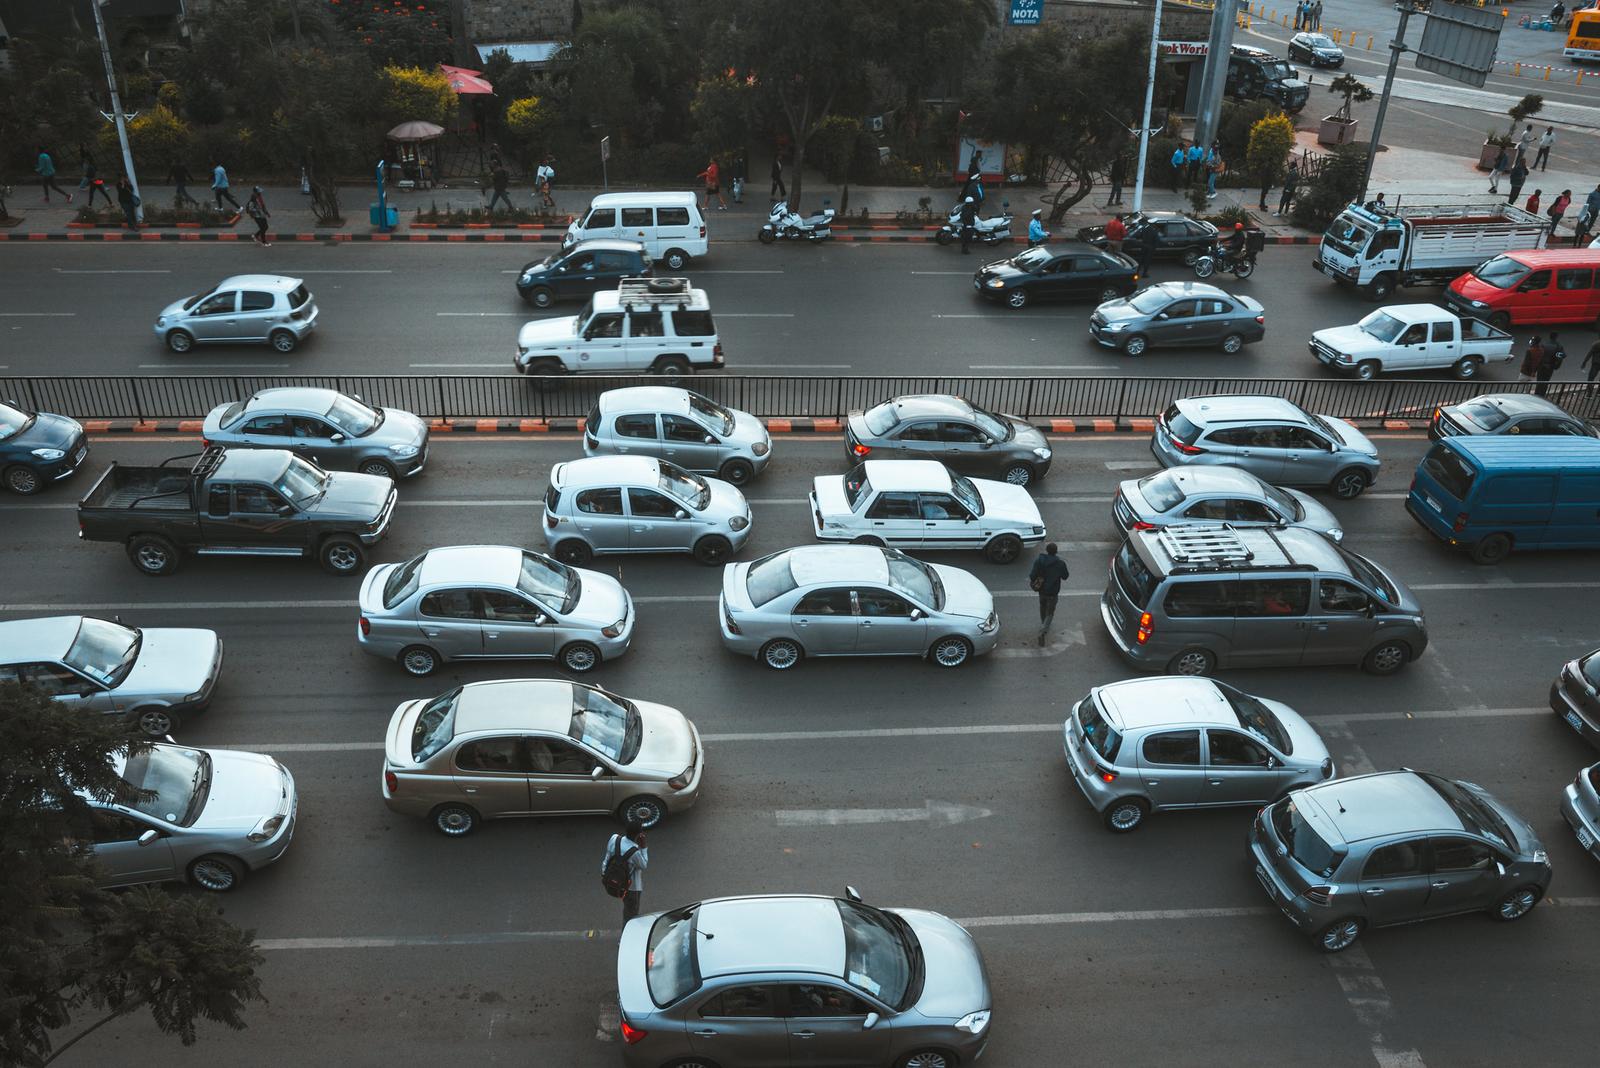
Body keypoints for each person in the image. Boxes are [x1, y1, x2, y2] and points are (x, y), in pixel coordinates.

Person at [602, 825, 648, 923]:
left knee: (628, 907)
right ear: (639, 835)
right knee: (631, 913)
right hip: (630, 887)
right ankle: (627, 933)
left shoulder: (614, 839)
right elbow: (643, 865)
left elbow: (608, 856)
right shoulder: (635, 852)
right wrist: (643, 848)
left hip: (611, 877)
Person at [1028, 542, 1071, 644]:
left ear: (1046, 550)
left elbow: (1032, 576)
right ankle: (1043, 631)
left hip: (1041, 591)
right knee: (1050, 612)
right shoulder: (1060, 564)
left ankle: (1043, 623)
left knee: (1042, 606)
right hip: (1053, 592)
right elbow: (1065, 576)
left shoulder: (1039, 561)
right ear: (1056, 552)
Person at [1537, 331, 1563, 396]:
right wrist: (1556, 366)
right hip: (1550, 367)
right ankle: (1542, 395)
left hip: (1541, 366)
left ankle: (1537, 394)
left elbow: (1539, 355)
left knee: (1539, 381)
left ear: (1550, 336)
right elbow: (1560, 358)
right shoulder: (1559, 346)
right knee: (1545, 382)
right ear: (1556, 337)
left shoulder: (1543, 344)